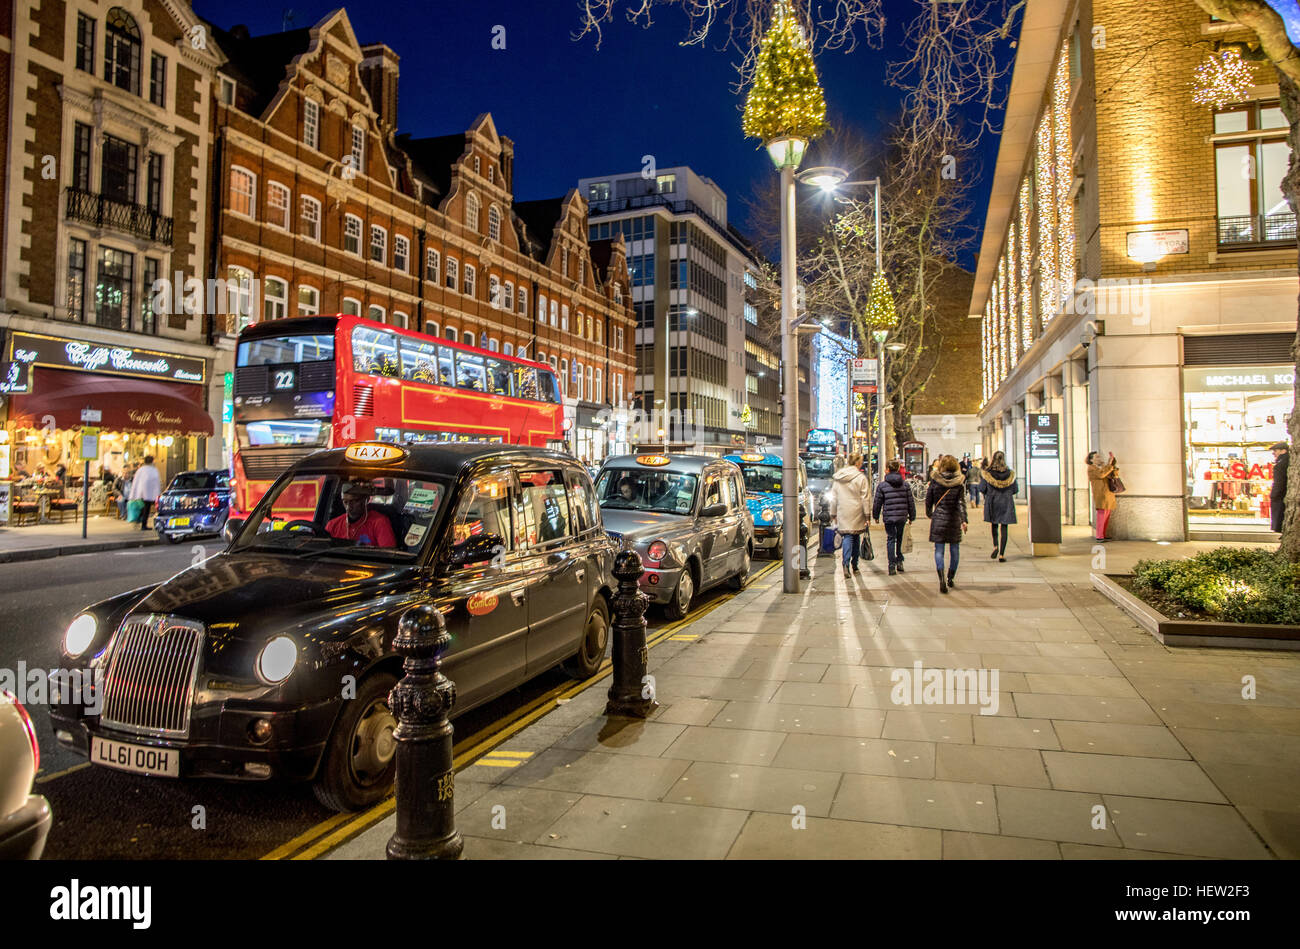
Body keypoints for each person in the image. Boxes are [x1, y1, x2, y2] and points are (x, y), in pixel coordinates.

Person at [925, 454, 968, 594]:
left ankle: (941, 579)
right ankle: (951, 577)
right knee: (954, 550)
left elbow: (929, 499)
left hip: (939, 517)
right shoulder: (959, 482)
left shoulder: (935, 481)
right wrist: (964, 520)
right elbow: (961, 503)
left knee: (939, 550)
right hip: (954, 519)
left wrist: (930, 513)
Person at [829, 451, 872, 579]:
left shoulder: (838, 477)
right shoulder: (861, 478)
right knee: (855, 536)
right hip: (857, 511)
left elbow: (834, 497)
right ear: (858, 463)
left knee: (847, 536)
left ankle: (846, 563)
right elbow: (865, 498)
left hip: (843, 511)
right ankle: (854, 564)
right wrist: (867, 515)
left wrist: (833, 513)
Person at [872, 458, 916, 576]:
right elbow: (910, 502)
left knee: (891, 538)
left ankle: (891, 565)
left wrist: (875, 515)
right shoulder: (905, 485)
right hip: (902, 516)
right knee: (900, 538)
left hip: (889, 516)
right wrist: (912, 516)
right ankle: (900, 561)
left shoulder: (882, 486)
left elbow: (877, 502)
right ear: (897, 469)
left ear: (887, 469)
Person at [326, 481, 396, 547]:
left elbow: (389, 555)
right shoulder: (332, 525)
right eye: (345, 502)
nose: (348, 507)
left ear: (366, 500)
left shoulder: (380, 522)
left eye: (354, 501)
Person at [981, 450, 1018, 562]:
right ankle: (1002, 554)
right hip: (1006, 502)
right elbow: (1015, 489)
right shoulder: (1010, 474)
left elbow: (982, 488)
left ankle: (995, 546)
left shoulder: (988, 473)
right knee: (1004, 527)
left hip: (993, 501)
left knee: (994, 524)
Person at [1086, 450, 1118, 542]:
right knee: (1101, 514)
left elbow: (1111, 474)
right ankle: (1099, 536)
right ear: (1091, 460)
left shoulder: (1101, 467)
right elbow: (1101, 475)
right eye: (1097, 457)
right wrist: (1108, 465)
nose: (1099, 458)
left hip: (1107, 493)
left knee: (1107, 514)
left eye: (1099, 456)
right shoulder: (1091, 468)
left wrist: (1111, 463)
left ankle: (1103, 534)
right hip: (1100, 494)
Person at [128, 455, 161, 530]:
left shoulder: (141, 470)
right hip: (149, 494)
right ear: (152, 461)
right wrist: (157, 493)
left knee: (143, 508)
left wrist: (134, 493)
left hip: (141, 493)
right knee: (146, 508)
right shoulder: (154, 470)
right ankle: (143, 524)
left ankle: (140, 520)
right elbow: (156, 482)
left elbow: (136, 481)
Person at [1270, 441, 1289, 533]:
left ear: (1283, 451)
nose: (1273, 453)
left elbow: (1279, 482)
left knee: (1279, 517)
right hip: (1284, 494)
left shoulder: (1281, 464)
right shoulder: (1287, 461)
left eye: (1275, 450)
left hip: (1280, 495)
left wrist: (1274, 494)